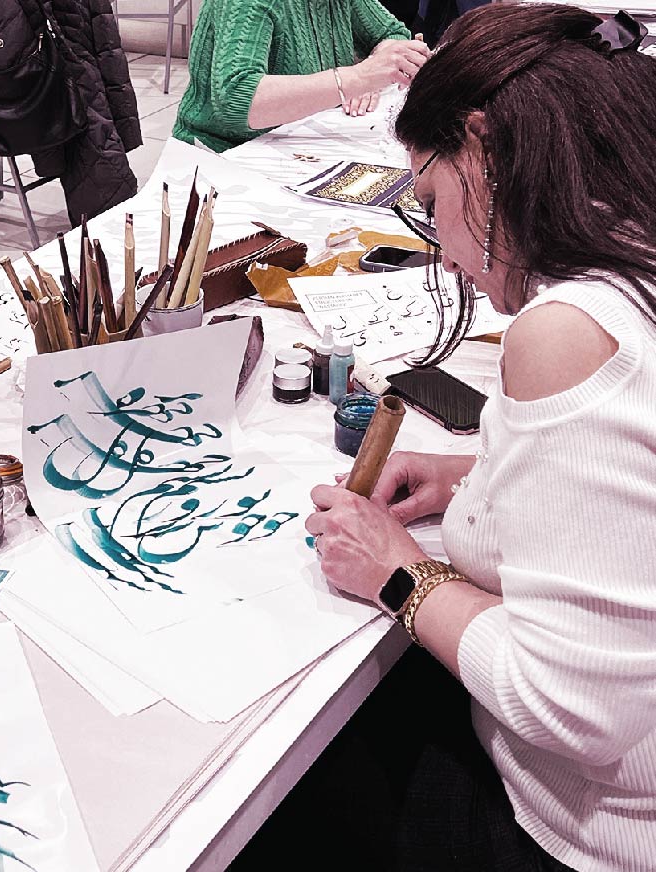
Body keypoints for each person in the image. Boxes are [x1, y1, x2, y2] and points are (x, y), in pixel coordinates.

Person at [241, 5, 656, 870]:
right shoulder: (633, 246)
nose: (446, 257)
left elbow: (570, 707)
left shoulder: (571, 329)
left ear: (483, 148)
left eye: (429, 203)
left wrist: (397, 572)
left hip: (584, 828)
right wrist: (482, 470)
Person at [172, 0, 429, 152]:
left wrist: (375, 70)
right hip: (223, 154)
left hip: (297, 141)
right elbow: (238, 98)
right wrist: (357, 78)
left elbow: (394, 34)